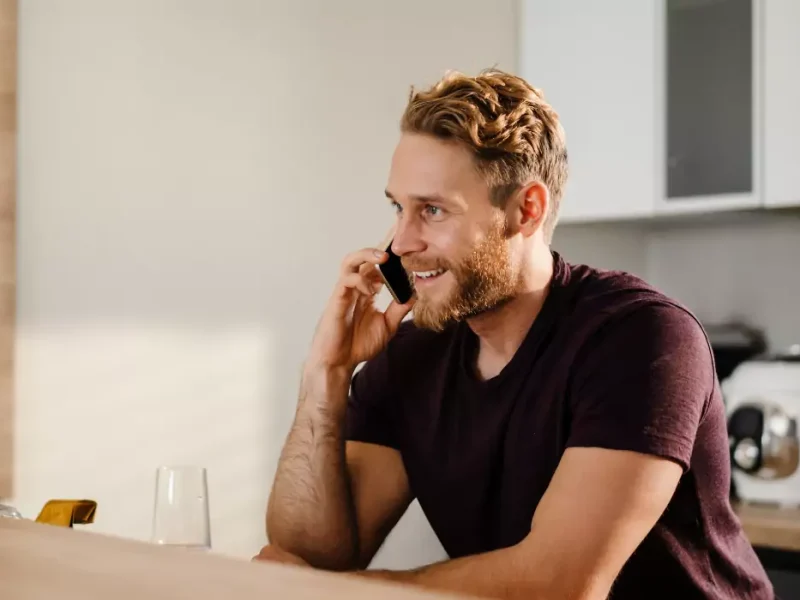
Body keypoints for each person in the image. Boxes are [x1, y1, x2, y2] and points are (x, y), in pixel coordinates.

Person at [255, 69, 773, 599]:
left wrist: (338, 591)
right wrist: (326, 374)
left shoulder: (642, 341)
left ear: (526, 210)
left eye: (432, 210)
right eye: (398, 207)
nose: (401, 243)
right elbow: (310, 552)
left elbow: (559, 584)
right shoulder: (415, 354)